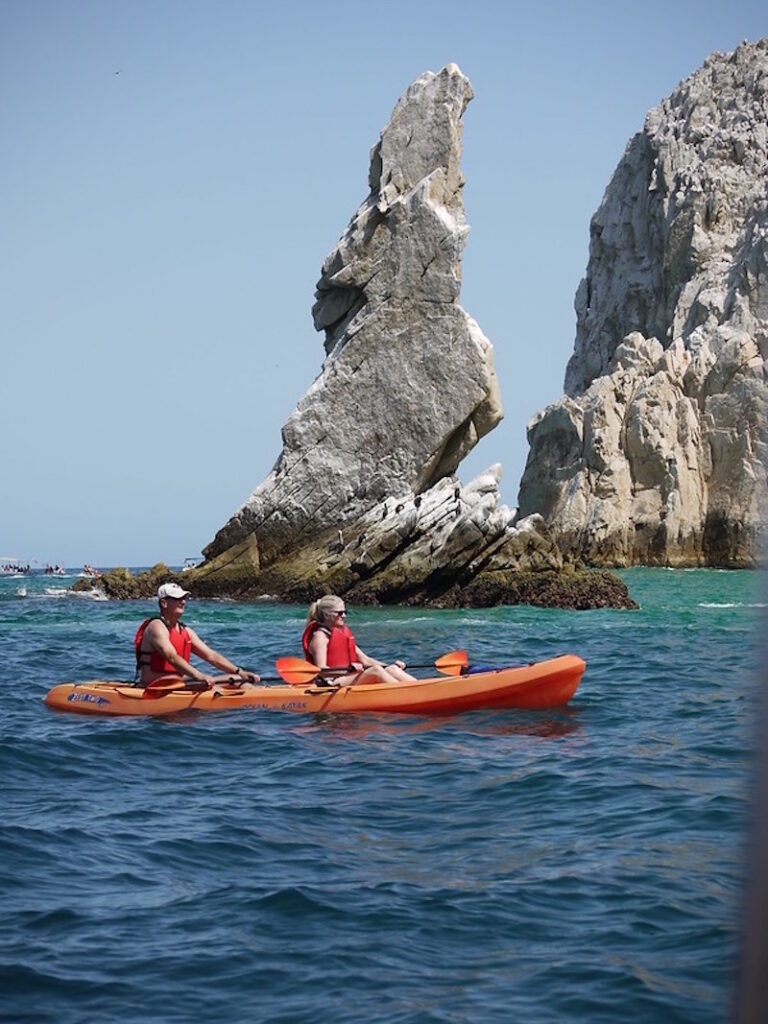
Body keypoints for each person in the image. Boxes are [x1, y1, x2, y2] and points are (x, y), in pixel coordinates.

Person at [135, 582, 259, 688]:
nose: (183, 602)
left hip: (179, 684)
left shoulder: (185, 631)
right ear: (164, 603)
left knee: (240, 680)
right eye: (178, 599)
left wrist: (240, 672)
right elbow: (171, 656)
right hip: (156, 686)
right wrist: (198, 675)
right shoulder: (156, 626)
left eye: (184, 598)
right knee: (230, 684)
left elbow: (211, 656)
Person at [301, 594, 416, 686]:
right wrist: (348, 670)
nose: (344, 616)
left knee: (392, 669)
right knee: (375, 671)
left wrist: (390, 666)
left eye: (345, 612)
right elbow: (321, 670)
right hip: (330, 682)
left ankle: (420, 688)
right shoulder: (319, 637)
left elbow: (365, 660)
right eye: (339, 613)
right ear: (326, 615)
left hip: (346, 677)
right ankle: (409, 694)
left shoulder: (341, 634)